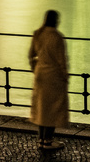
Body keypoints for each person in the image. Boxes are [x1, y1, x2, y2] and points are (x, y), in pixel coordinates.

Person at [29, 9, 70, 150]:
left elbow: (31, 55)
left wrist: (35, 68)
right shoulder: (57, 37)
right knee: (52, 108)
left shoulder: (38, 34)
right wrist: (66, 77)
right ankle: (48, 140)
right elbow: (61, 61)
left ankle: (40, 139)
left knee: (41, 108)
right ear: (56, 21)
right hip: (53, 76)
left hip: (40, 75)